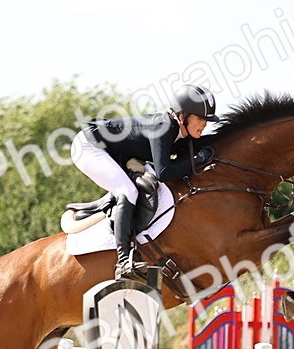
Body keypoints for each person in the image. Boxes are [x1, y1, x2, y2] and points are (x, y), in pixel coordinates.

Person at [71, 84, 218, 279]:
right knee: (128, 190)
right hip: (89, 147)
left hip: (111, 151)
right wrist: (197, 160)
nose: (204, 124)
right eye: (200, 119)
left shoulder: (176, 130)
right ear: (182, 116)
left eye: (206, 120)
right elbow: (164, 173)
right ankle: (123, 261)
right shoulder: (164, 126)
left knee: (134, 187)